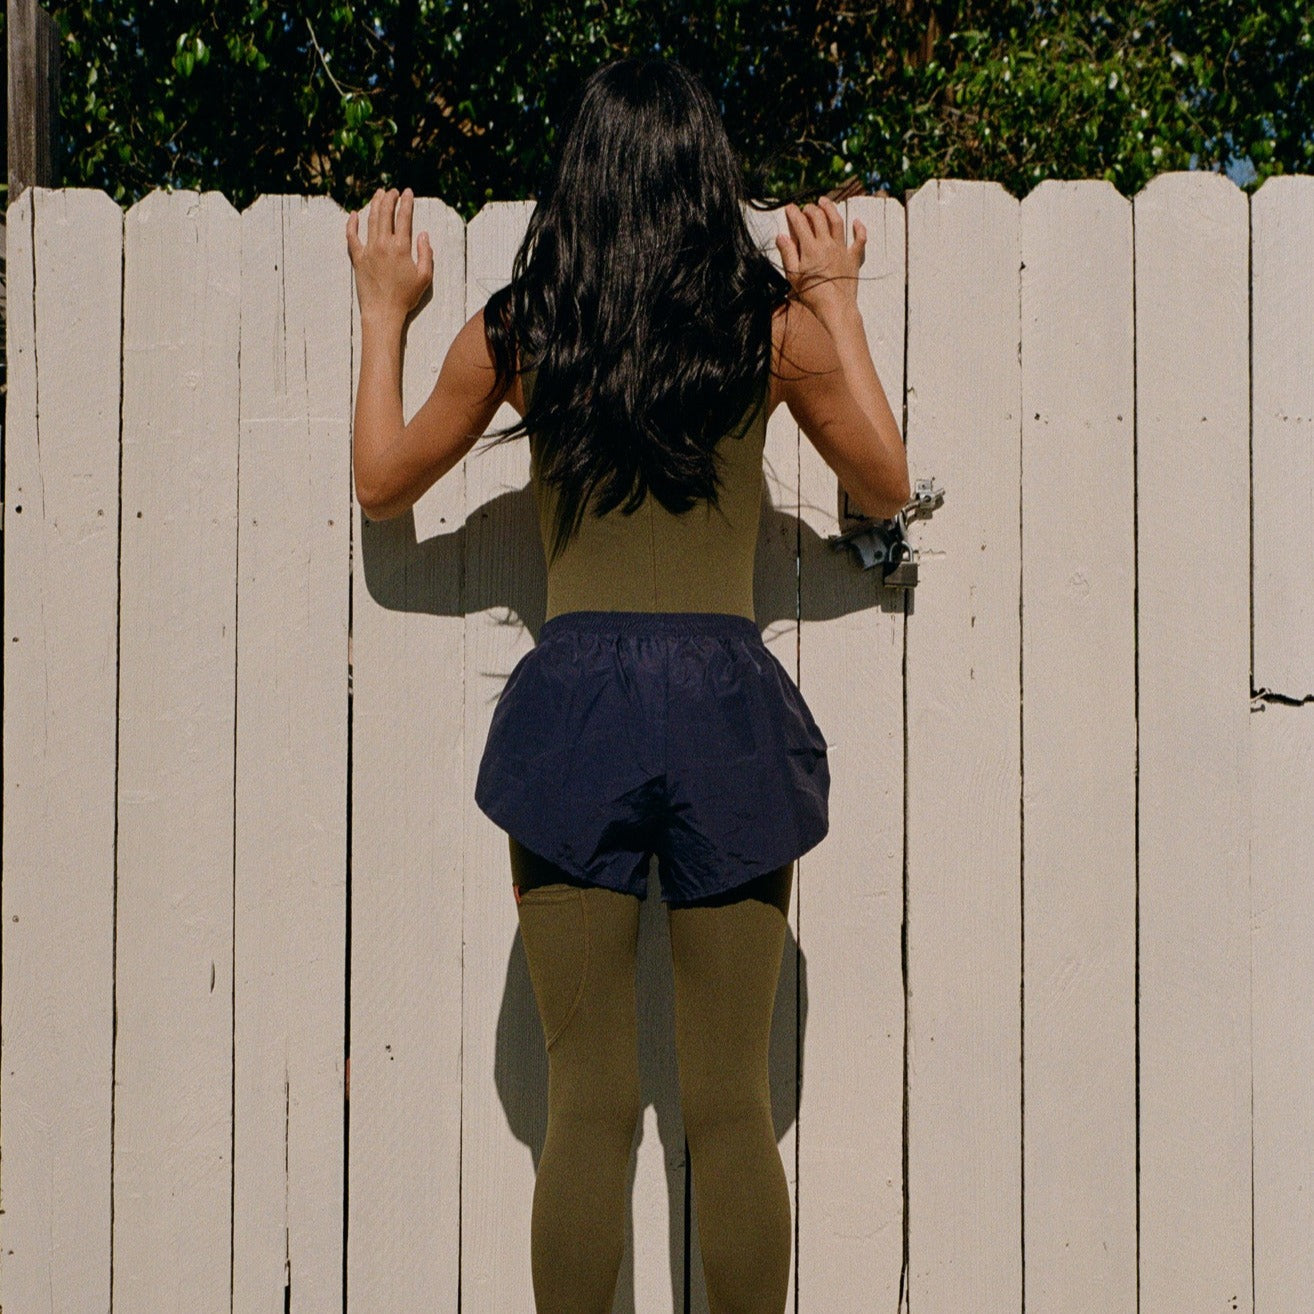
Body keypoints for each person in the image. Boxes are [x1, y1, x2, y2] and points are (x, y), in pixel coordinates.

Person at [347, 55, 910, 1314]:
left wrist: (384, 309)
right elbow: (883, 482)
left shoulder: (524, 328)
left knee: (588, 1103)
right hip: (726, 711)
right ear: (708, 178)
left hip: (576, 715)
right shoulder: (768, 328)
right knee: (732, 1102)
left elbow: (383, 483)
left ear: (582, 179)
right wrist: (835, 295)